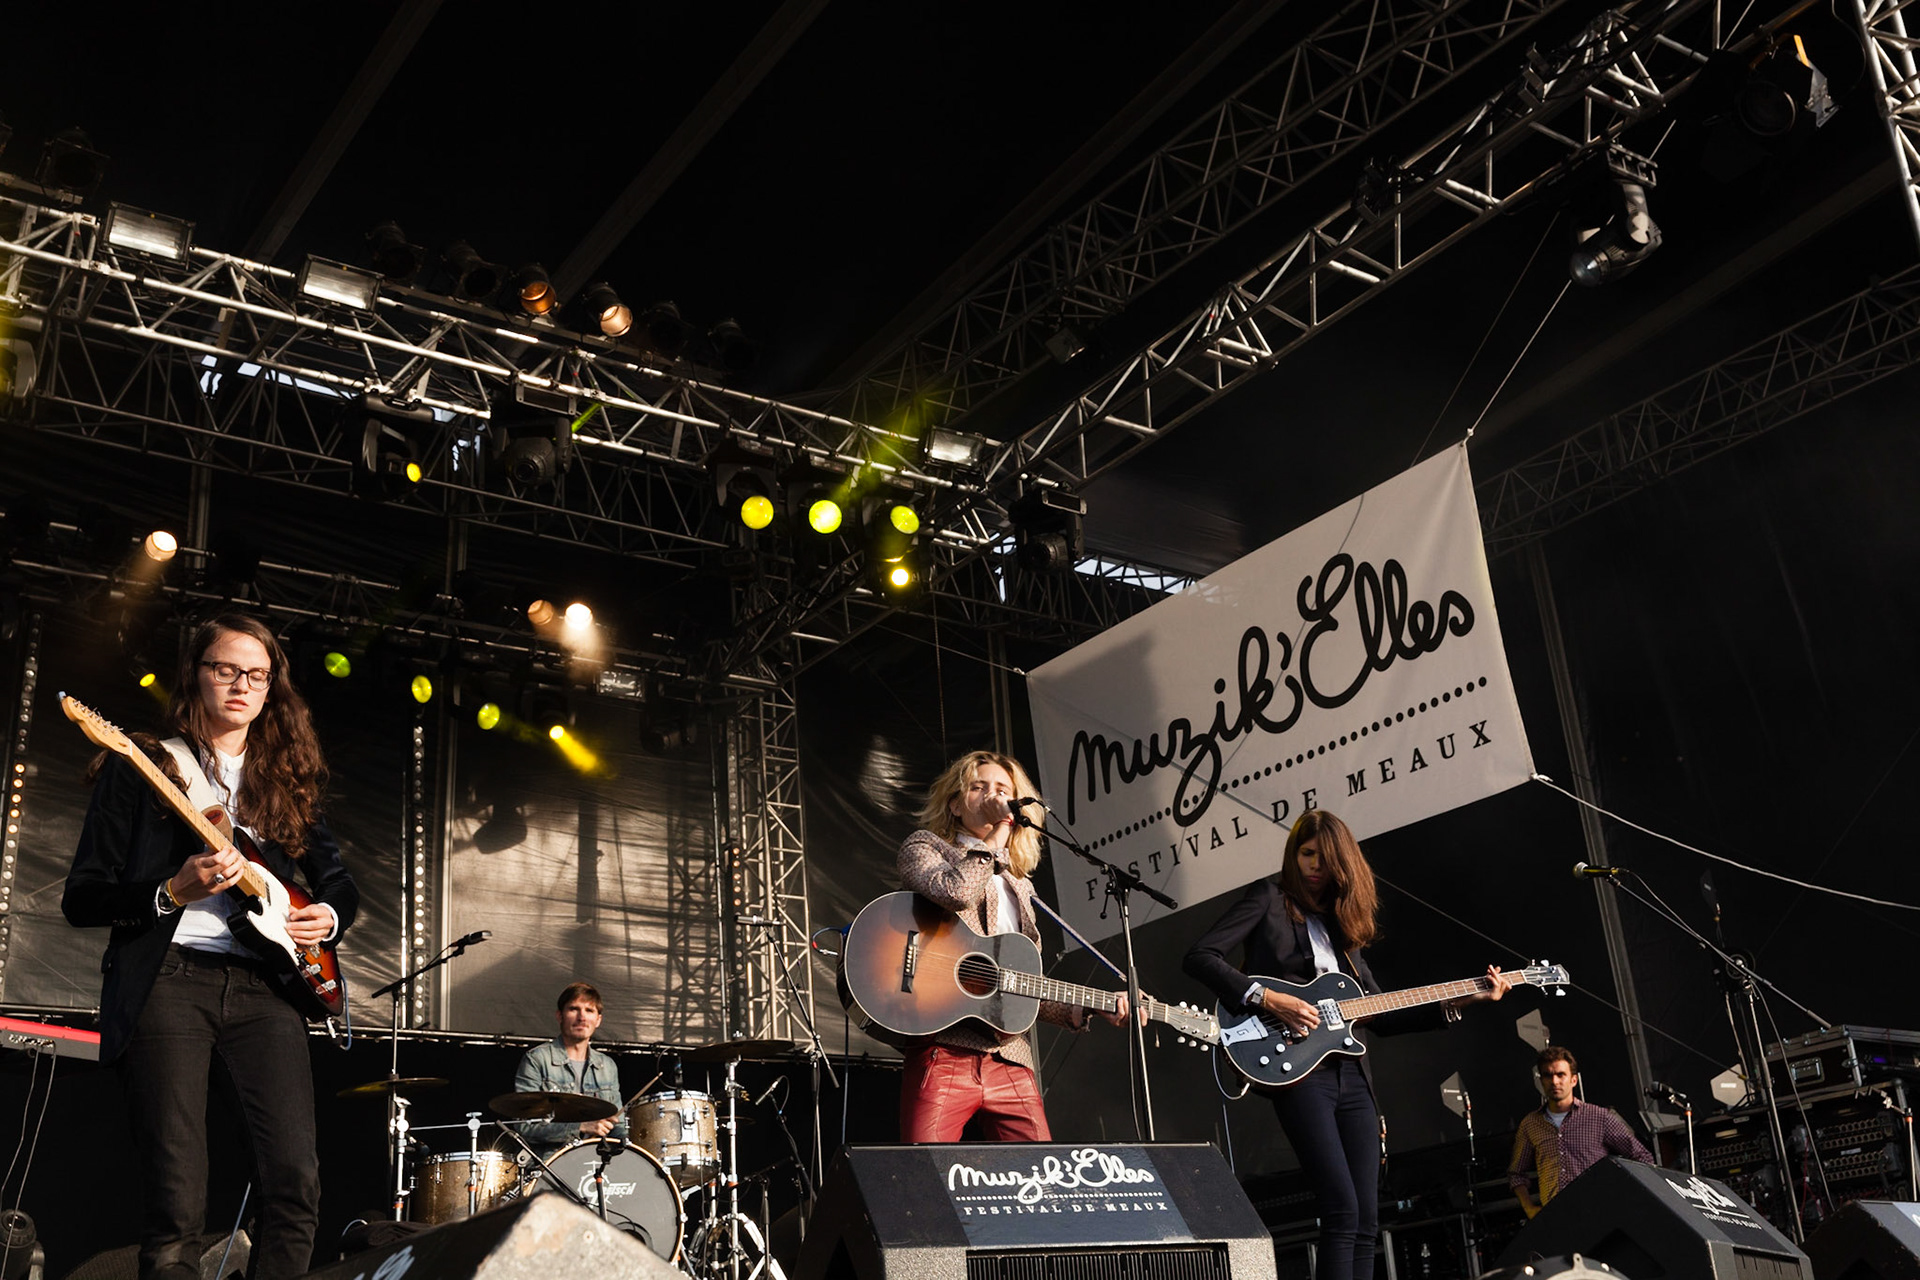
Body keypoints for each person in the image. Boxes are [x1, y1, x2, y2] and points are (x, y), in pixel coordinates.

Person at [63, 614, 359, 1280]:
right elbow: (82, 896)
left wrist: (328, 916)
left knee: (295, 1184)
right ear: (196, 674)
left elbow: (337, 879)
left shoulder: (284, 779)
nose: (241, 684)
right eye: (226, 669)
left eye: (257, 674)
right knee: (177, 1198)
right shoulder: (143, 765)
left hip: (267, 987)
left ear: (272, 687)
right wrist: (172, 891)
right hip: (170, 981)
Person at [1184, 810, 1510, 1280]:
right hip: (1299, 1073)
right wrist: (1269, 998)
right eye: (1306, 853)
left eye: (1324, 856)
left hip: (1353, 1078)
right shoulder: (1268, 899)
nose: (1314, 865)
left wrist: (1461, 1000)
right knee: (1340, 1209)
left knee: (1366, 1218)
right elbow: (1200, 956)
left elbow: (1380, 1013)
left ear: (1343, 862)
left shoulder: (1343, 927)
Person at [895, 749, 1130, 1142]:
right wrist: (998, 833)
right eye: (979, 787)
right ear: (955, 804)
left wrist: (1091, 1005)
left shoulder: (1021, 886)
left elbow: (1020, 985)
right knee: (924, 1169)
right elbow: (956, 893)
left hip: (1010, 1058)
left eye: (1003, 790)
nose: (993, 795)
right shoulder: (925, 848)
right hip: (945, 1049)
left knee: (1040, 1171)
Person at [1509, 1044, 1653, 1216]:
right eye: (1548, 1075)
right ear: (1541, 1081)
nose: (1554, 1081)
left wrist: (1622, 1196)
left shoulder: (1599, 1117)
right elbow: (1516, 1173)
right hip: (1556, 1216)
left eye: (1560, 1074)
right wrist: (1529, 1208)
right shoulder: (1530, 1124)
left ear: (1574, 1080)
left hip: (1599, 1212)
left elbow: (1642, 1157)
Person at [510, 982, 629, 1157]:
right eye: (574, 1009)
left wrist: (626, 1143)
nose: (582, 1017)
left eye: (589, 1010)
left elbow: (618, 1126)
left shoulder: (607, 1065)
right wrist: (580, 1127)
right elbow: (525, 1126)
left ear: (598, 1020)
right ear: (560, 1016)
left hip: (596, 1163)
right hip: (550, 1164)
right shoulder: (537, 1059)